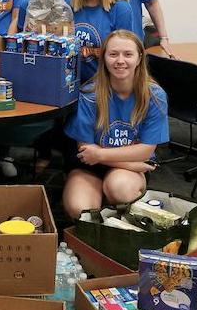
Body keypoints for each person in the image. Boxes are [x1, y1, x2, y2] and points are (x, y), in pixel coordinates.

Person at [62, 30, 169, 219]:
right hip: (93, 166)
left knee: (120, 190)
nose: (120, 60)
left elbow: (145, 150)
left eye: (128, 54)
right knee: (81, 211)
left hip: (124, 167)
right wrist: (132, 163)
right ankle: (99, 196)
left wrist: (101, 154)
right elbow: (85, 151)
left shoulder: (155, 96)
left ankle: (114, 208)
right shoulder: (89, 94)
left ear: (139, 58)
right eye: (113, 54)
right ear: (104, 58)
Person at [69, 0, 133, 84]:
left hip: (105, 87)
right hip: (68, 87)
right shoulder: (65, 4)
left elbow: (123, 60)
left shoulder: (121, 9)